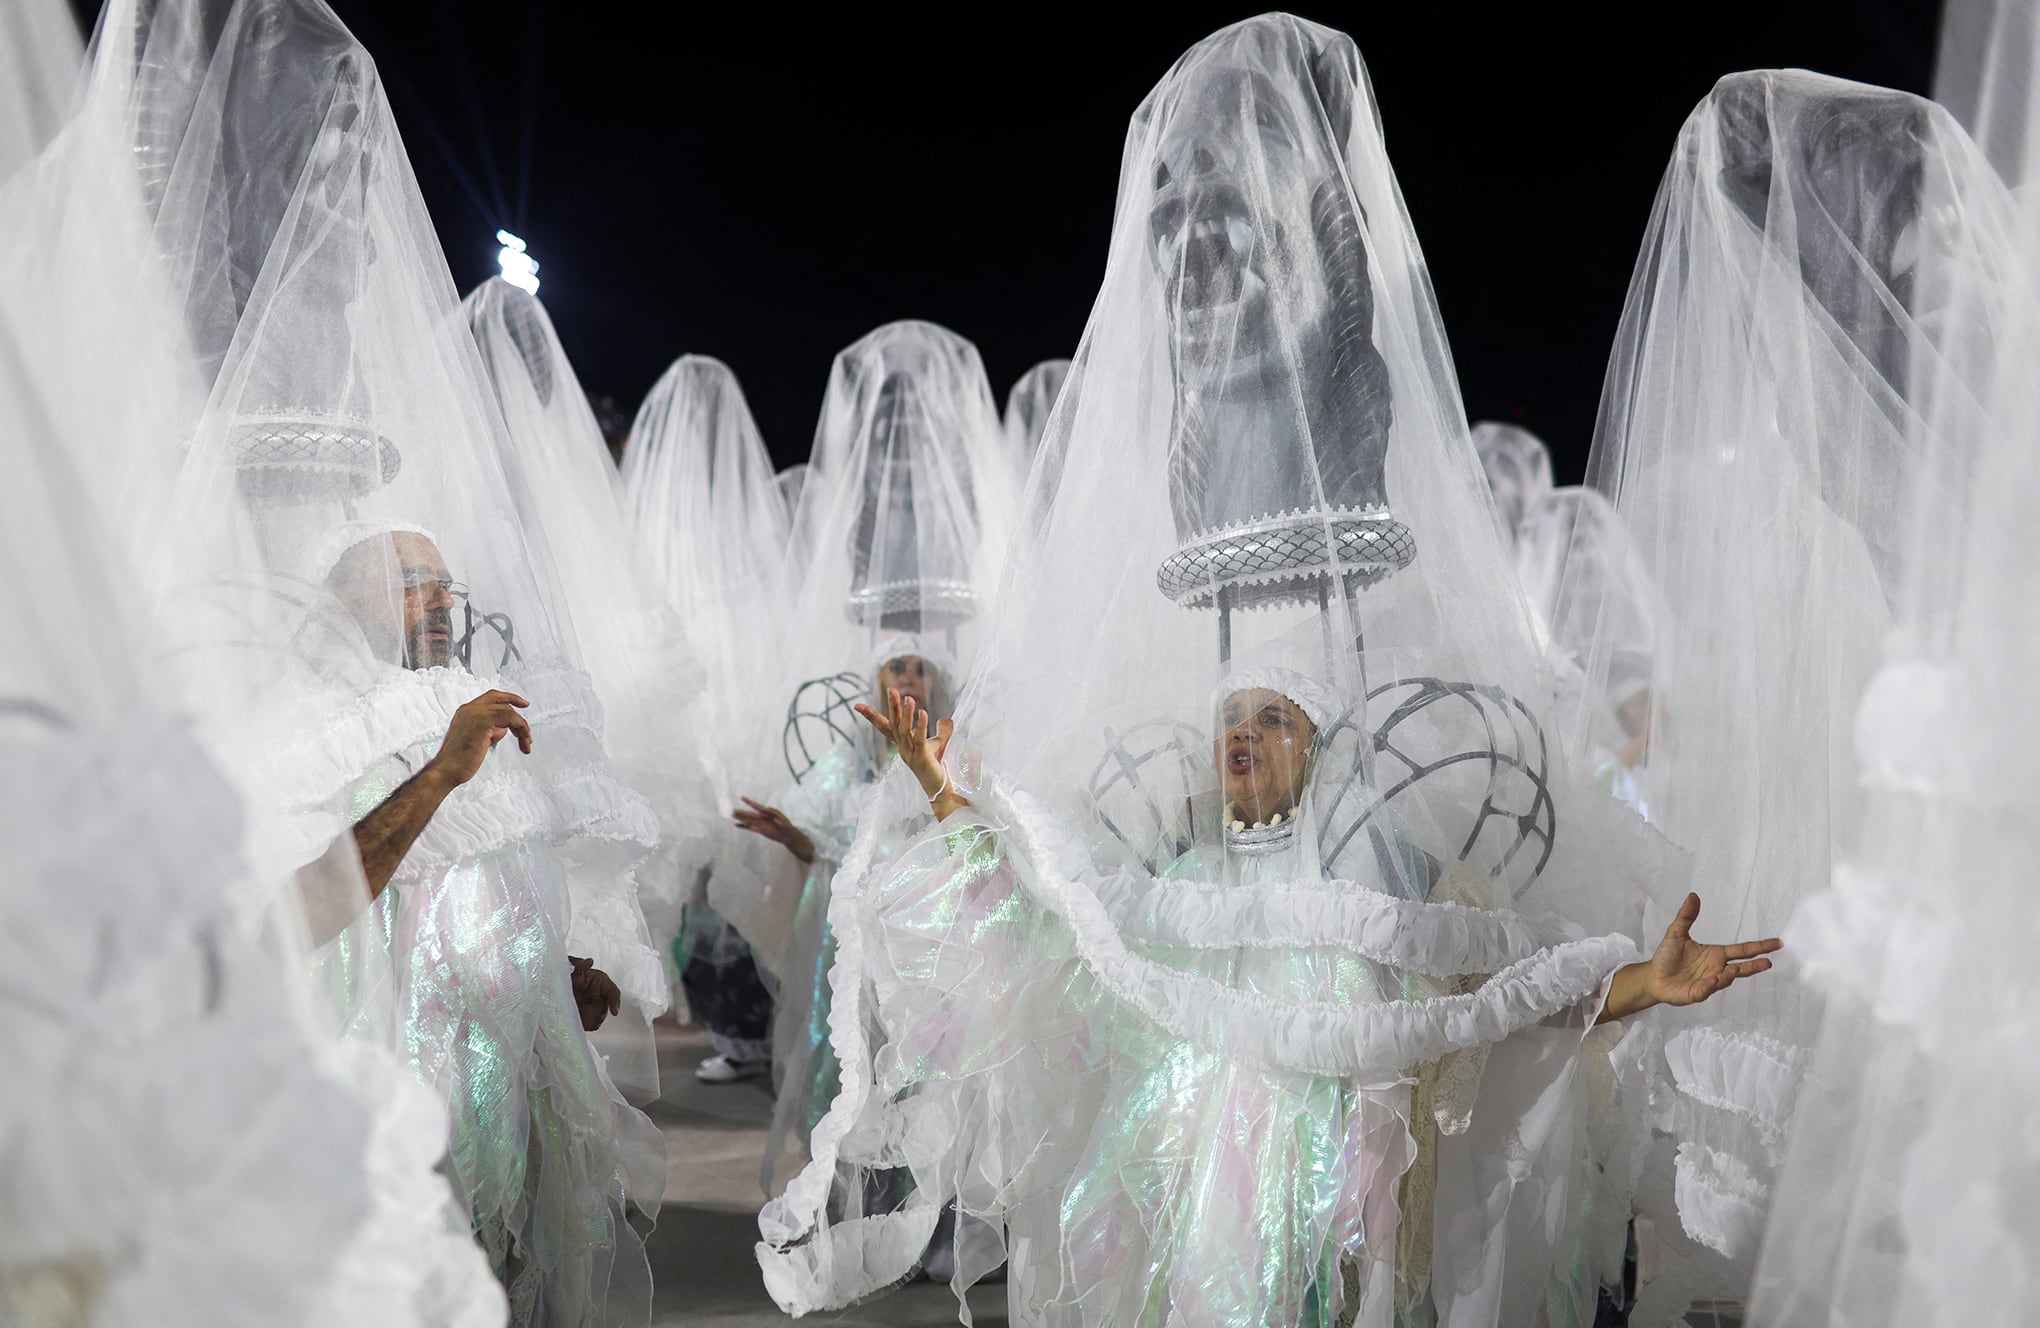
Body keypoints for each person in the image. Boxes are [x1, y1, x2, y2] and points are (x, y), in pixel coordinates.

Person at [756, 18, 1781, 1325]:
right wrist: (952, 800)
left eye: (1274, 724)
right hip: (1187, 1248)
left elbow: (1503, 1002)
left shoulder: (1379, 870)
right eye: (1230, 721)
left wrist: (1642, 985)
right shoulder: (1174, 884)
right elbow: (1035, 954)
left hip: (1351, 1251)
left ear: (1326, 740)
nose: (1241, 741)